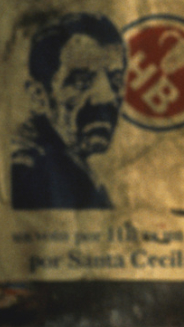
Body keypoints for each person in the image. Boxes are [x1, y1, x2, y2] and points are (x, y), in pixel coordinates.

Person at [12, 12, 126, 209]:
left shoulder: (77, 173)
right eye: (81, 81)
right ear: (39, 95)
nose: (106, 98)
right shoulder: (28, 177)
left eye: (116, 80)